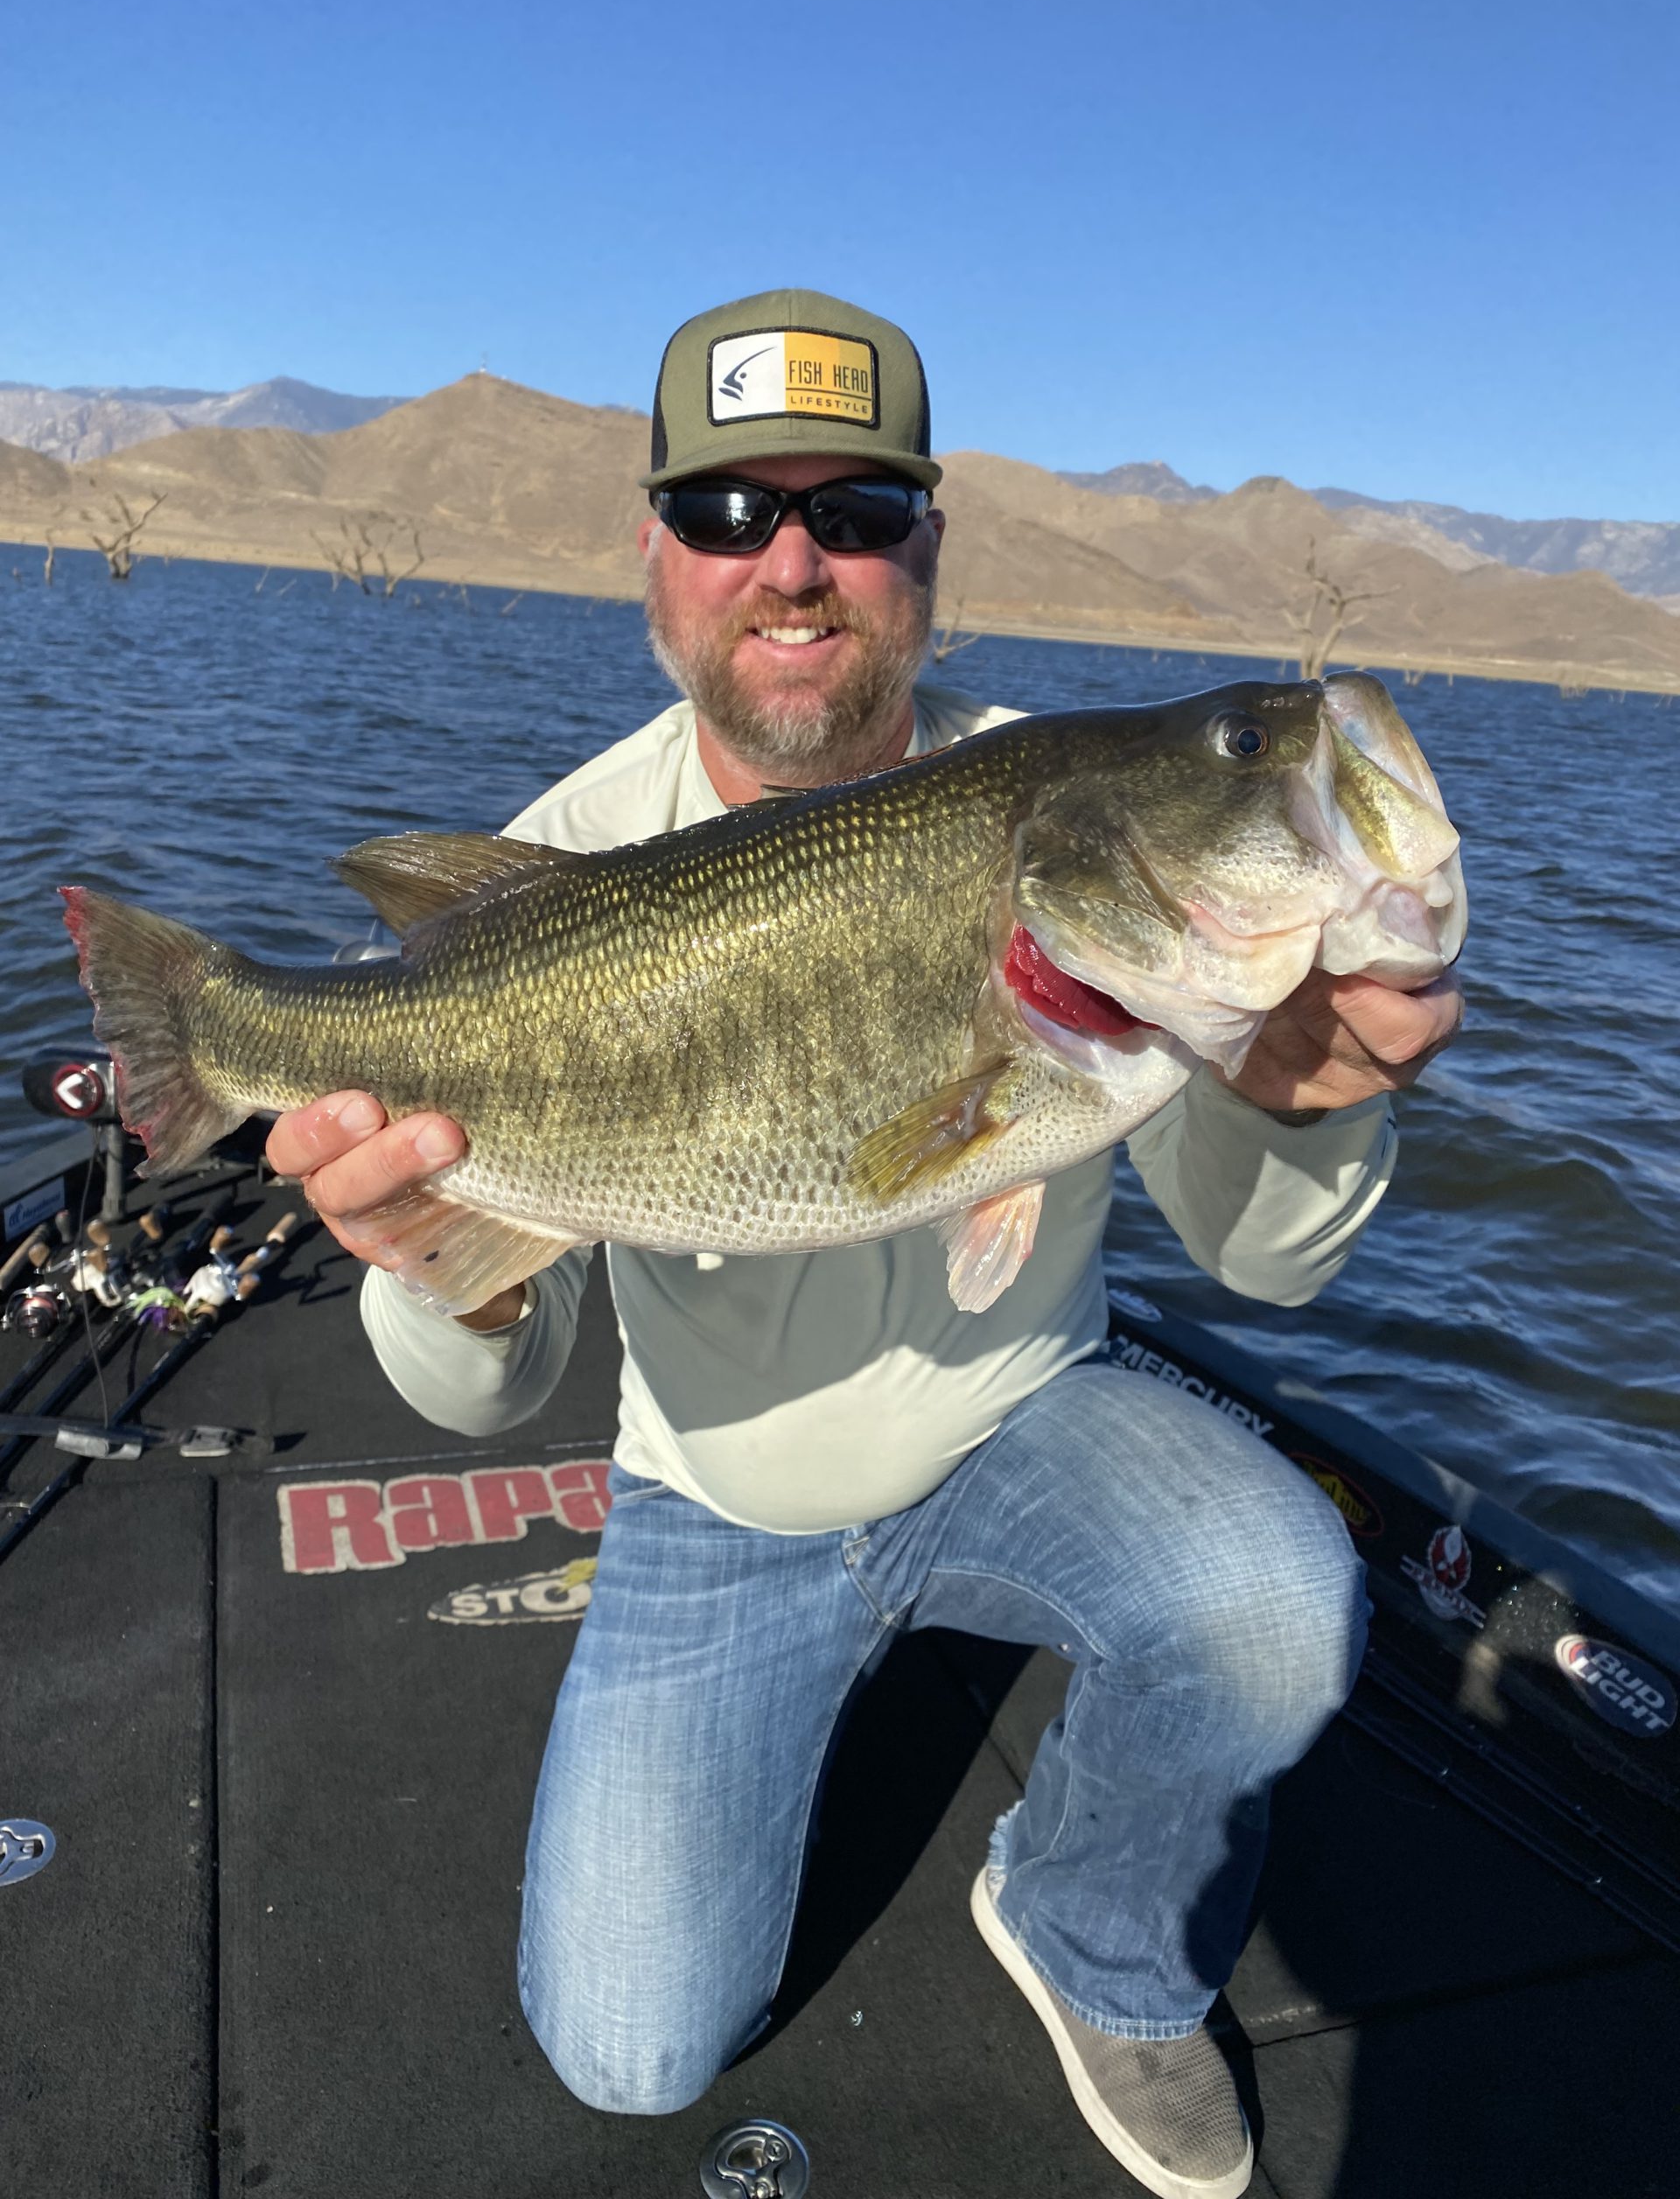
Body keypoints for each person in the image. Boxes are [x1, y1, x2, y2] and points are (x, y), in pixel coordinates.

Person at [268, 290, 1461, 2199]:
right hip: (714, 1503)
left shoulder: (1052, 794)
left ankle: (1088, 1927)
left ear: (929, 552)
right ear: (655, 559)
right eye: (734, 513)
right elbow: (490, 1384)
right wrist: (420, 1251)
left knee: (1275, 1594)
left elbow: (1272, 1270)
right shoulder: (557, 862)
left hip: (1027, 1425)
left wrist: (1309, 1090)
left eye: (860, 510)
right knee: (626, 2046)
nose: (796, 565)